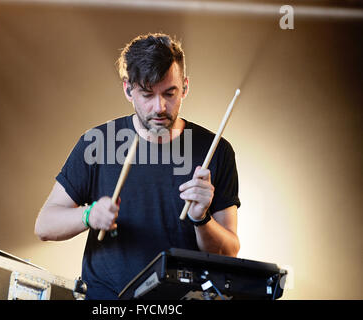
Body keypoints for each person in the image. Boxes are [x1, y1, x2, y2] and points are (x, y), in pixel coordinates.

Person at [34, 33, 241, 300]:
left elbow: (229, 252)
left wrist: (202, 219)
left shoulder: (216, 151)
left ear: (185, 87)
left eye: (170, 93)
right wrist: (88, 216)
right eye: (147, 94)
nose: (160, 107)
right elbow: (44, 225)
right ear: (128, 89)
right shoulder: (96, 143)